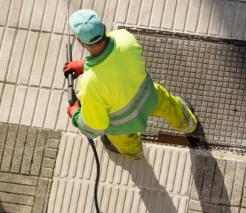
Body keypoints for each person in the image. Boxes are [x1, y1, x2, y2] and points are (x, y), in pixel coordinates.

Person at [64, 9, 198, 160]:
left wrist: (75, 114)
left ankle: (135, 154)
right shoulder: (125, 38)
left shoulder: (89, 85)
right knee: (170, 106)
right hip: (149, 95)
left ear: (80, 42)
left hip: (121, 124)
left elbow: (95, 128)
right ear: (104, 27)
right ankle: (189, 124)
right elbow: (113, 61)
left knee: (126, 142)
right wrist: (83, 65)